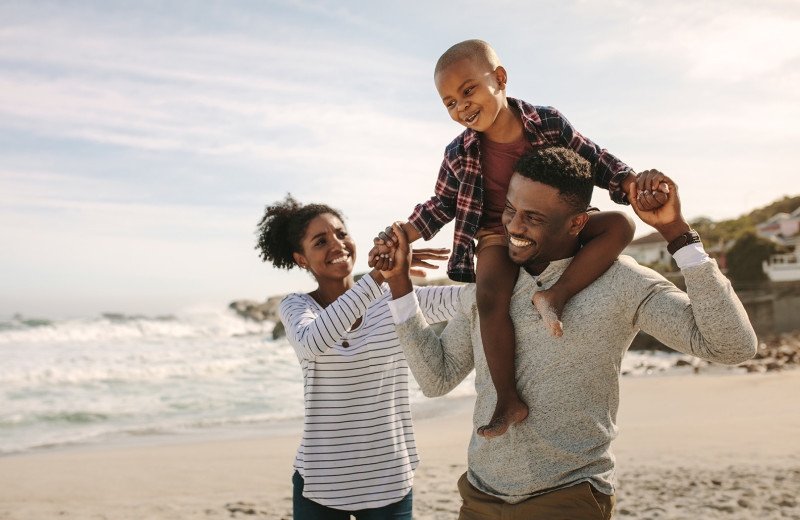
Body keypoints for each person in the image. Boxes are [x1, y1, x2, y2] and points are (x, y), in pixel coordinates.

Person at [379, 146, 757, 519]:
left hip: (568, 498)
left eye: (533, 217)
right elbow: (436, 379)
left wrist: (676, 232)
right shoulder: (490, 288)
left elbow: (732, 345)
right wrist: (400, 286)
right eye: (510, 210)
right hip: (481, 497)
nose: (513, 226)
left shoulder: (621, 281)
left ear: (577, 222)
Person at [370, 39, 667, 439]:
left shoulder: (547, 123)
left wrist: (631, 183)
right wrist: (403, 232)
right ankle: (508, 400)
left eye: (468, 90)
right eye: (449, 103)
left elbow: (595, 159)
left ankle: (555, 295)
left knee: (620, 227)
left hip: (553, 225)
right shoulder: (458, 152)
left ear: (499, 79)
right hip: (497, 232)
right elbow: (442, 203)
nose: (462, 107)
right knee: (489, 296)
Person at [255, 194, 462, 519]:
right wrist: (378, 275)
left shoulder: (395, 296)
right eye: (321, 241)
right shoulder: (296, 306)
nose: (337, 244)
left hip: (390, 480)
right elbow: (313, 341)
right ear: (302, 259)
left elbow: (472, 300)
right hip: (321, 484)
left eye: (341, 234)